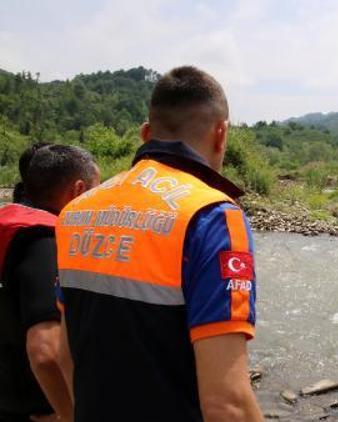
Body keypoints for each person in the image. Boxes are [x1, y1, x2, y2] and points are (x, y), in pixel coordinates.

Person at [55, 66, 263, 421]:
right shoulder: (213, 217)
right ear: (221, 134)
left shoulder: (75, 212)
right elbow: (227, 404)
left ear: (146, 134)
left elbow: (64, 354)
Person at [0, 144, 99, 422]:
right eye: (96, 191)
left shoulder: (10, 227)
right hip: (37, 409)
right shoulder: (44, 242)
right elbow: (45, 352)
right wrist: (69, 415)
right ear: (79, 190)